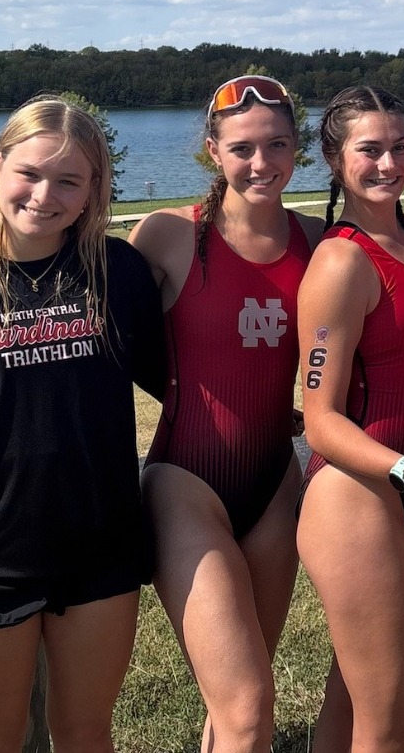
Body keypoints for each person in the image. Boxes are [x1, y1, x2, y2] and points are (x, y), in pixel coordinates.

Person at [0, 95, 165, 753]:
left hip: (99, 555)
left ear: (94, 188)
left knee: (84, 734)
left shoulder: (116, 271)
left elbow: (181, 381)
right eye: (31, 174)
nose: (46, 195)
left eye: (70, 180)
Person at [128, 75, 324, 752]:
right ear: (213, 151)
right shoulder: (163, 237)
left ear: (299, 148)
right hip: (187, 484)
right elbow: (105, 342)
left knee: (241, 702)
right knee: (247, 703)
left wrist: (301, 411)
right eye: (242, 148)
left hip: (276, 485)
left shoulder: (319, 241)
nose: (261, 162)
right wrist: (194, 392)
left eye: (277, 144)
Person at [296, 85, 404, 752]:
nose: (387, 164)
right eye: (369, 150)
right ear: (335, 159)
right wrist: (403, 467)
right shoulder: (342, 260)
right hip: (357, 493)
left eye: (400, 147)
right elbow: (319, 419)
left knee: (354, 699)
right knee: (392, 717)